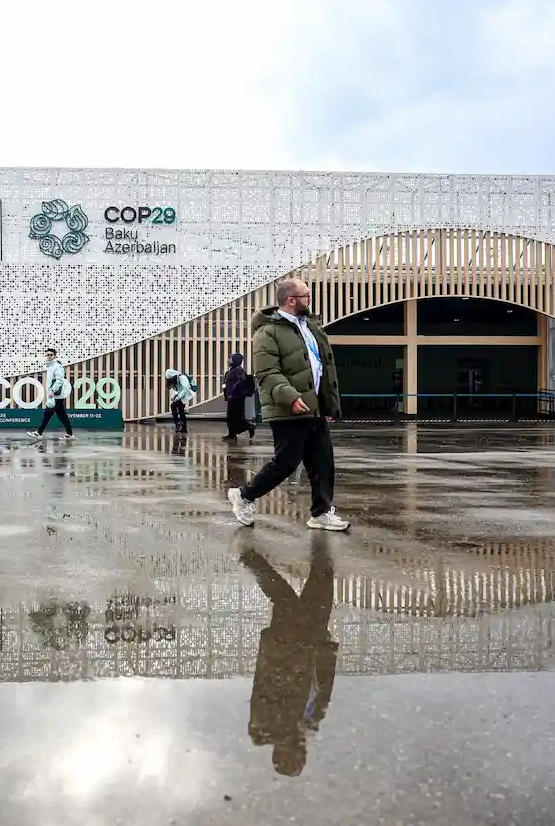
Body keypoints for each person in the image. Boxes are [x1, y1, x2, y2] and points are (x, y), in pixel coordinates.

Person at [227, 278, 349, 531]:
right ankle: (244, 495)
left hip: (312, 407)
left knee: (323, 461)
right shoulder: (267, 332)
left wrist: (327, 404)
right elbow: (267, 372)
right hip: (287, 407)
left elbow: (323, 368)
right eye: (306, 295)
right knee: (286, 462)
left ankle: (321, 512)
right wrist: (291, 397)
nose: (310, 300)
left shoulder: (311, 327)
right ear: (291, 300)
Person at [242, 538, 338, 777]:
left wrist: (294, 656)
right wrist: (328, 652)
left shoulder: (266, 726)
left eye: (296, 759)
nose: (303, 755)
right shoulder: (309, 725)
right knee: (322, 576)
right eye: (302, 760)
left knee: (286, 602)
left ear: (281, 754)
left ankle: (252, 560)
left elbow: (268, 683)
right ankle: (319, 535)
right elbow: (323, 688)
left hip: (288, 647)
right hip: (313, 645)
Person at [29, 347, 74, 440]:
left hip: (56, 394)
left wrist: (53, 391)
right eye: (47, 355)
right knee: (62, 415)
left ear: (55, 356)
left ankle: (38, 433)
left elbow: (60, 380)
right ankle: (70, 434)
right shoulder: (50, 366)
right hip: (55, 395)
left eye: (51, 355)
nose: (49, 356)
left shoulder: (57, 366)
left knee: (48, 413)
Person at [223, 352, 257, 441]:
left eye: (230, 359)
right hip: (231, 397)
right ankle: (231, 434)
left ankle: (249, 427)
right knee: (230, 416)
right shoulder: (230, 371)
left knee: (237, 417)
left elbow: (241, 381)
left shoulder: (238, 370)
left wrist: (234, 390)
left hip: (237, 398)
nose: (228, 361)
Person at [164, 368, 196, 433]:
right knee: (181, 410)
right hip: (183, 395)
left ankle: (178, 424)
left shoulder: (182, 377)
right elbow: (177, 390)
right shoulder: (176, 379)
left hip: (188, 393)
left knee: (173, 406)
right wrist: (174, 396)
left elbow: (185, 389)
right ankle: (184, 428)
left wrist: (178, 397)